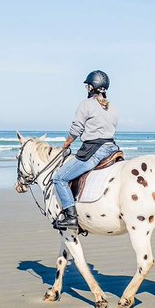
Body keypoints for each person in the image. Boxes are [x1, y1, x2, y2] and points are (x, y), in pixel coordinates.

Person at [51, 70, 119, 231]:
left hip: (94, 151)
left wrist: (67, 143)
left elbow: (76, 128)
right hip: (112, 148)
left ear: (91, 87)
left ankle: (71, 218)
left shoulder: (86, 104)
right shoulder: (113, 108)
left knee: (59, 178)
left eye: (87, 86)